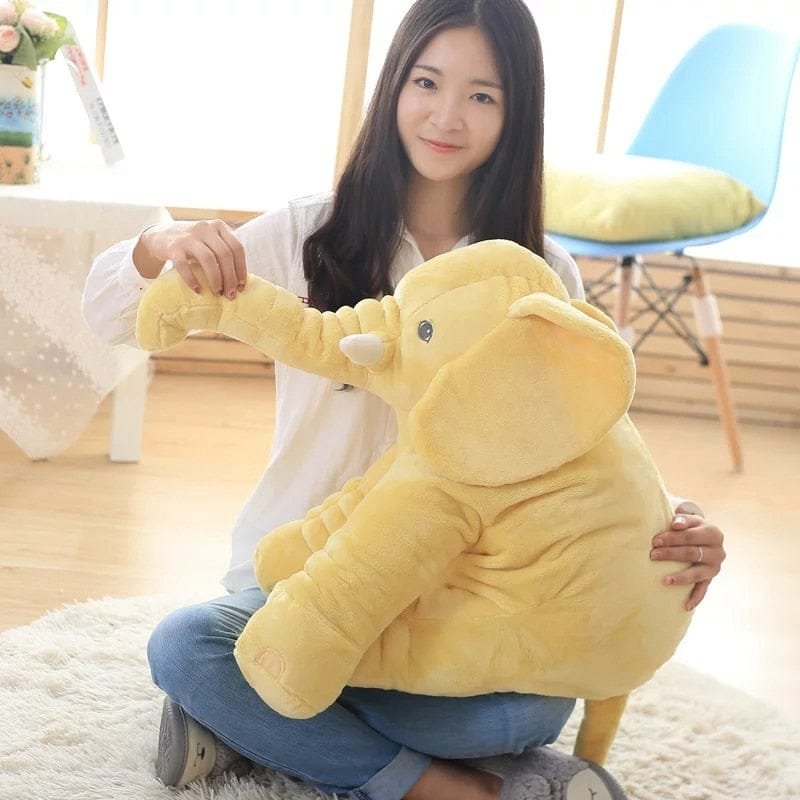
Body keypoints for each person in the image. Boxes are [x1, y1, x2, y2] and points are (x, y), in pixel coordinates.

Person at [82, 1, 726, 798]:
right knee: (187, 647)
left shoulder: (543, 274)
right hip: (303, 584)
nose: (446, 115)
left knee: (523, 707)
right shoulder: (306, 233)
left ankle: (252, 731)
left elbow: (591, 452)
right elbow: (108, 315)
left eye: (483, 95)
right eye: (427, 82)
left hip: (471, 608)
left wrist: (685, 523)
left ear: (516, 114)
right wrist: (162, 246)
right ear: (394, 86)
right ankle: (455, 788)